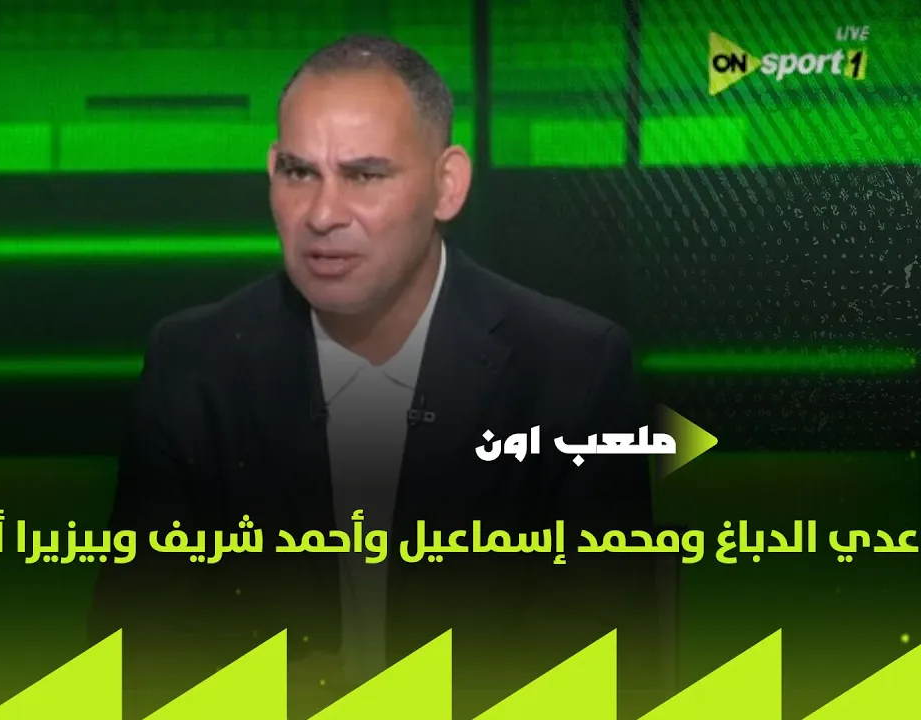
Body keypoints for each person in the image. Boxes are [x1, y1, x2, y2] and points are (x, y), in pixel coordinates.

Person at [90, 34, 658, 719]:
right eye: (299, 172)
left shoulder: (572, 371)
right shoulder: (192, 368)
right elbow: (136, 654)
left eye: (364, 176)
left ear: (448, 185)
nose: (322, 215)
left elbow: (603, 662)